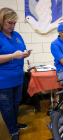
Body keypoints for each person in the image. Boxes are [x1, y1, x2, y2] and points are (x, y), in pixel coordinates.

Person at [0, 7, 31, 140]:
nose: (12, 26)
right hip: (4, 80)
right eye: (9, 23)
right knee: (7, 107)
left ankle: (14, 123)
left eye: (14, 23)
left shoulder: (17, 35)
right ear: (1, 21)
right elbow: (13, 55)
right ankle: (13, 131)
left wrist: (25, 54)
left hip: (18, 77)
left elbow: (20, 51)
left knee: (16, 104)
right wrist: (13, 55)